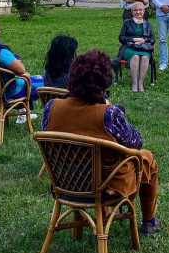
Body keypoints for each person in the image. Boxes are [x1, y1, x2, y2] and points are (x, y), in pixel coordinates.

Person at [41, 50, 160, 236]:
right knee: (146, 157)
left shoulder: (51, 108)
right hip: (105, 188)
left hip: (65, 182)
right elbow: (136, 142)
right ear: (104, 84)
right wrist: (108, 106)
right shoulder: (109, 115)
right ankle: (149, 221)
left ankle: (107, 216)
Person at [117, 3, 155, 92]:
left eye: (140, 9)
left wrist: (144, 40)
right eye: (135, 10)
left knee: (145, 58)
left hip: (144, 48)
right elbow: (121, 37)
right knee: (135, 57)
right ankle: (134, 82)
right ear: (132, 12)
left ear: (144, 11)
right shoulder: (127, 23)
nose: (138, 12)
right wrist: (133, 39)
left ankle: (140, 83)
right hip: (129, 48)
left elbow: (153, 39)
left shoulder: (148, 25)